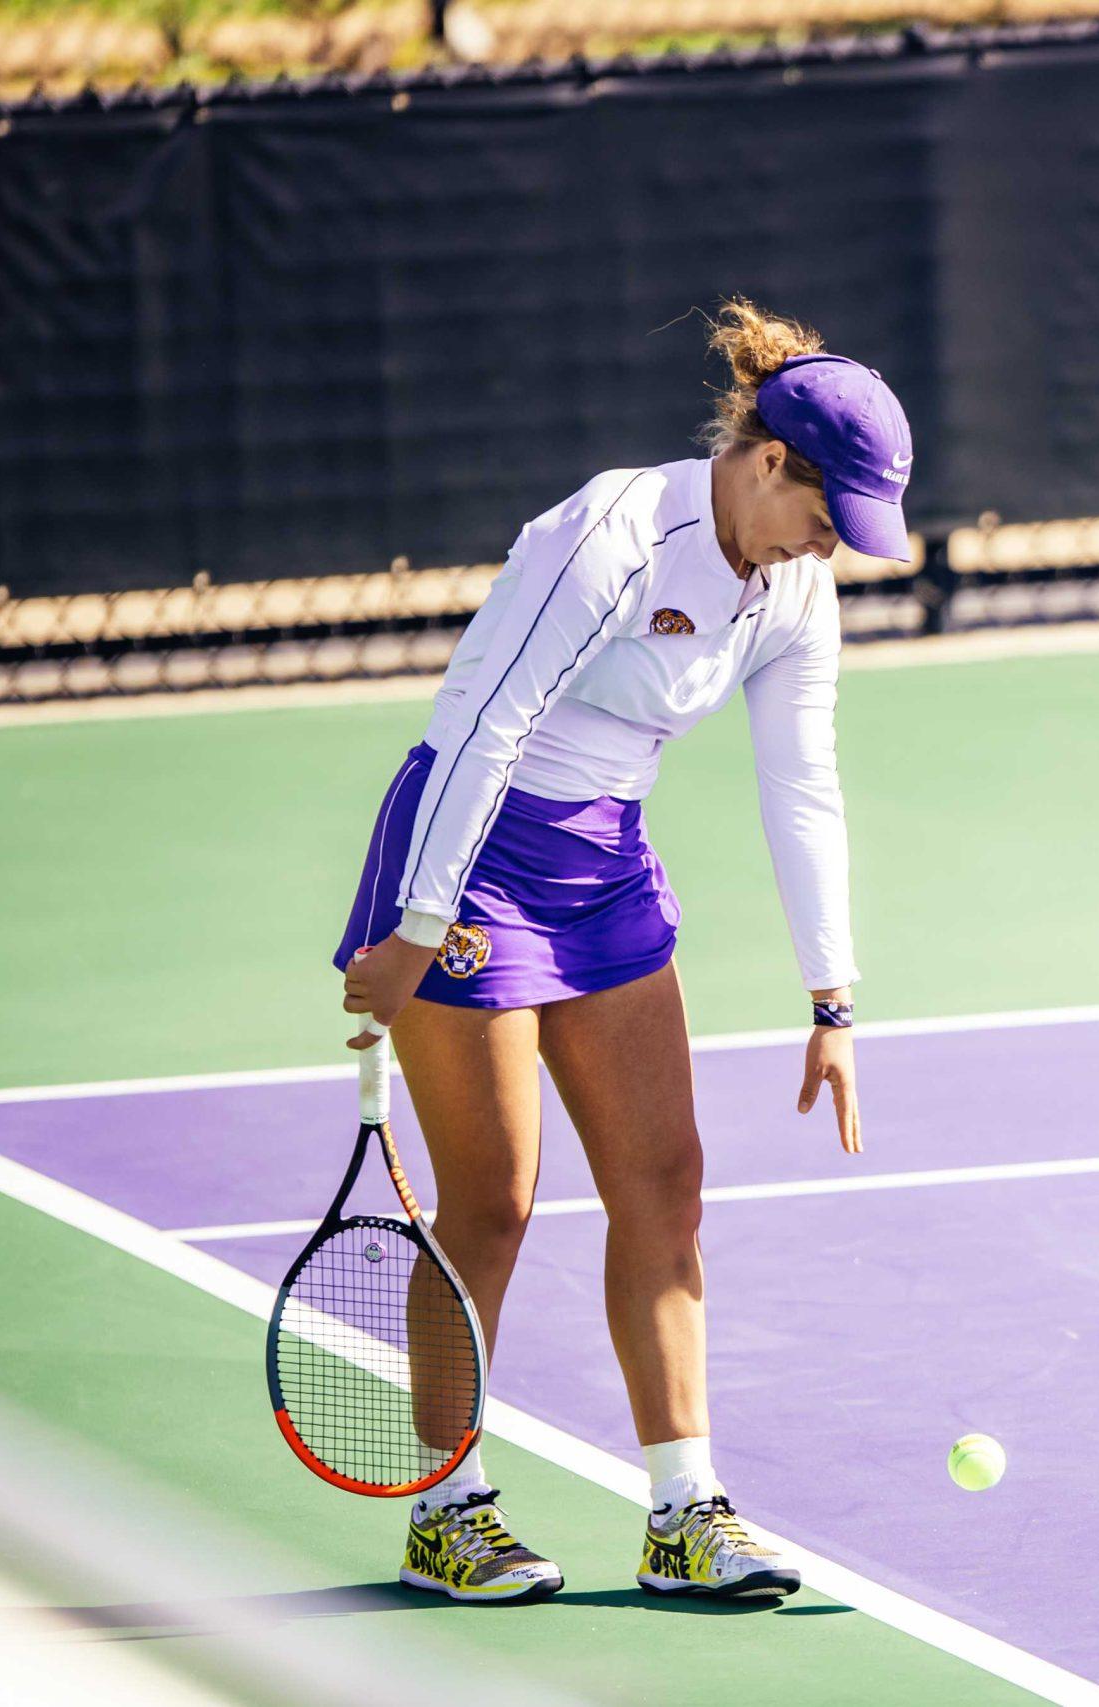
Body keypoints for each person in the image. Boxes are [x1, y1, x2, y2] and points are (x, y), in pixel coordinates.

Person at [334, 298, 906, 1603]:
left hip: (603, 863)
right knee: (494, 1201)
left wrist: (835, 997)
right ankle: (446, 1511)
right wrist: (419, 923)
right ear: (769, 463)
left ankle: (683, 1514)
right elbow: (483, 726)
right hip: (468, 851)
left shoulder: (793, 588)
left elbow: (801, 778)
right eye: (826, 516)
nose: (831, 548)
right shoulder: (612, 534)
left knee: (666, 1180)